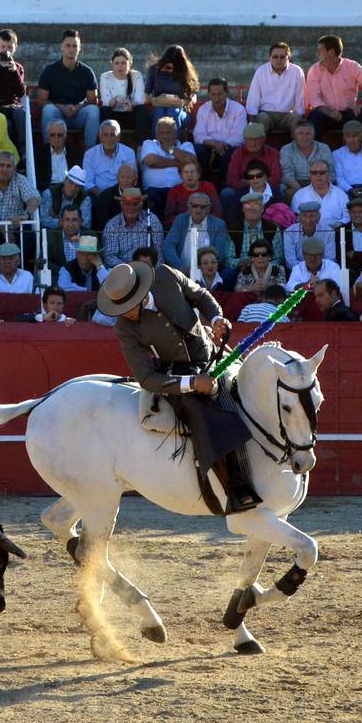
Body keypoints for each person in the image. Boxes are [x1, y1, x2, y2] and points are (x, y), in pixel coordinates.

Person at [95, 258, 257, 512]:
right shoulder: (125, 328)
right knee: (201, 413)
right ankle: (233, 489)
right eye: (120, 309)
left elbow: (201, 296)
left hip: (209, 351)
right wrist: (192, 383)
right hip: (176, 373)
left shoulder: (165, 276)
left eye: (128, 306)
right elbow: (147, 378)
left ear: (140, 293)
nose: (126, 313)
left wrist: (216, 319)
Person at [37, 29, 100, 146]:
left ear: (79, 48)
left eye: (75, 46)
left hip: (78, 114)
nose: (71, 49)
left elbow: (93, 100)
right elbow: (41, 100)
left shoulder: (87, 72)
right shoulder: (50, 70)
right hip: (57, 114)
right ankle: (49, 151)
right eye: (68, 45)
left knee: (93, 111)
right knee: (48, 110)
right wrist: (61, 108)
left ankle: (90, 152)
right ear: (62, 47)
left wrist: (77, 107)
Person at [305, 34, 362, 136]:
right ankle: (317, 150)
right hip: (326, 114)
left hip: (349, 113)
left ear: (331, 52)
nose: (317, 54)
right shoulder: (315, 70)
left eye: (320, 51)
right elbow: (313, 97)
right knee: (314, 116)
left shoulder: (351, 66)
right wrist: (329, 111)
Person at [221, 124, 281, 217]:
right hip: (243, 190)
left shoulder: (272, 153)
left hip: (266, 188)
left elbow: (276, 179)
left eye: (256, 139)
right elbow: (231, 180)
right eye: (249, 140)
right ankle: (232, 227)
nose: (252, 143)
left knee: (280, 191)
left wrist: (258, 184)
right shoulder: (238, 153)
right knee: (227, 193)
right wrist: (253, 182)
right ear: (244, 140)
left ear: (263, 139)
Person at [163, 193, 231, 274]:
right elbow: (168, 246)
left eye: (202, 207)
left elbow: (219, 254)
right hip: (181, 272)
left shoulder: (219, 224)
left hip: (207, 274)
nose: (198, 210)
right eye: (195, 206)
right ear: (189, 207)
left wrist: (201, 270)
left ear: (208, 209)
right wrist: (180, 267)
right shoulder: (180, 220)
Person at [246, 42, 305, 133]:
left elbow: (300, 98)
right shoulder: (261, 71)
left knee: (297, 119)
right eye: (275, 57)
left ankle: (298, 147)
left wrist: (301, 118)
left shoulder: (297, 71)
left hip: (288, 115)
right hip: (266, 114)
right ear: (270, 58)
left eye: (282, 57)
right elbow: (254, 98)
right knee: (261, 119)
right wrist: (251, 122)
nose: (278, 60)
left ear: (288, 57)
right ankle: (258, 147)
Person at [193, 78, 246, 177]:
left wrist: (219, 147)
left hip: (229, 149)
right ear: (209, 94)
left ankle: (226, 187)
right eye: (213, 94)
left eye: (220, 94)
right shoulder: (203, 109)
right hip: (210, 148)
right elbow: (198, 136)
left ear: (227, 93)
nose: (216, 98)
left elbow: (239, 138)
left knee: (229, 152)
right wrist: (214, 145)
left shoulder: (238, 110)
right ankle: (205, 184)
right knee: (198, 149)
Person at [144, 45, 199, 137]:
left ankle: (175, 145)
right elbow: (146, 97)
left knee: (173, 111)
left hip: (180, 111)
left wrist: (181, 101)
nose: (171, 69)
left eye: (175, 67)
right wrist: (161, 99)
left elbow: (193, 96)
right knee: (159, 112)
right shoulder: (154, 70)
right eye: (168, 67)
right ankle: (156, 144)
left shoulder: (185, 71)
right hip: (159, 107)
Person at [101, 187, 164, 267]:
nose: (131, 208)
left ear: (141, 205)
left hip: (150, 271)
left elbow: (159, 253)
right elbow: (109, 256)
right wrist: (130, 270)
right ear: (121, 205)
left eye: (135, 204)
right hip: (123, 272)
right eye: (127, 204)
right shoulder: (112, 225)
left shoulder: (151, 220)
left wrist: (153, 273)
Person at [84, 120, 140, 209]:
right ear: (100, 137)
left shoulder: (129, 152)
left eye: (113, 135)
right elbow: (88, 182)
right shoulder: (90, 154)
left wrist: (119, 196)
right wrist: (104, 196)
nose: (109, 139)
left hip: (122, 195)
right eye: (105, 135)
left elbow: (132, 179)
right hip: (98, 195)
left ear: (119, 137)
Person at [97, 47, 148, 142]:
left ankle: (142, 146)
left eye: (123, 63)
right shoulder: (105, 76)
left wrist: (130, 104)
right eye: (117, 63)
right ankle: (103, 144)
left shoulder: (136, 76)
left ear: (130, 63)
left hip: (130, 113)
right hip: (113, 113)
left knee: (142, 110)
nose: (120, 66)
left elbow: (140, 99)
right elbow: (106, 102)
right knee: (103, 110)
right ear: (111, 64)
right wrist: (116, 99)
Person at [279, 122, 333, 199]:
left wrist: (315, 189)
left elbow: (330, 172)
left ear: (314, 135)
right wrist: (303, 192)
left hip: (319, 181)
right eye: (301, 133)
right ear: (295, 136)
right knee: (287, 192)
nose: (304, 137)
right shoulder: (286, 149)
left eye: (308, 134)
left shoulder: (324, 148)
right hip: (296, 184)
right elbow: (287, 175)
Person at [291, 161, 348, 230]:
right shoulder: (299, 195)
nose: (318, 175)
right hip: (307, 233)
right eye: (314, 173)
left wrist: (336, 226)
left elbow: (347, 217)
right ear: (310, 175)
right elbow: (295, 218)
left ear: (328, 174)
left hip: (335, 232)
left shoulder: (341, 194)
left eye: (322, 172)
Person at [164, 161, 220, 228]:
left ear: (199, 174)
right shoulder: (174, 191)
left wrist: (201, 219)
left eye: (192, 172)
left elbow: (218, 212)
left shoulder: (209, 187)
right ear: (181, 175)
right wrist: (187, 220)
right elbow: (168, 217)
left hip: (206, 225)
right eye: (186, 172)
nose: (189, 175)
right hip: (183, 227)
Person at [40, 165, 92, 234]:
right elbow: (43, 220)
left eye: (77, 186)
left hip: (76, 235)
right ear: (65, 180)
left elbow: (86, 224)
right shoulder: (49, 193)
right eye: (71, 182)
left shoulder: (85, 199)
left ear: (81, 188)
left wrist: (57, 218)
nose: (73, 188)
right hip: (53, 234)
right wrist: (73, 223)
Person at [33, 119, 81, 189]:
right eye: (52, 135)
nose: (56, 138)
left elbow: (78, 178)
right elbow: (38, 180)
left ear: (65, 136)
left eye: (60, 135)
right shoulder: (40, 154)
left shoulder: (74, 153)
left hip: (69, 190)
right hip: (48, 190)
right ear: (48, 137)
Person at [282, 201, 331, 268]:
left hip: (323, 271)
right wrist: (308, 270)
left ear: (318, 218)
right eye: (305, 216)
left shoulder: (329, 232)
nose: (308, 220)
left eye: (312, 216)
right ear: (299, 218)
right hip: (298, 272)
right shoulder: (289, 232)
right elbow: (290, 262)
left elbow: (330, 259)